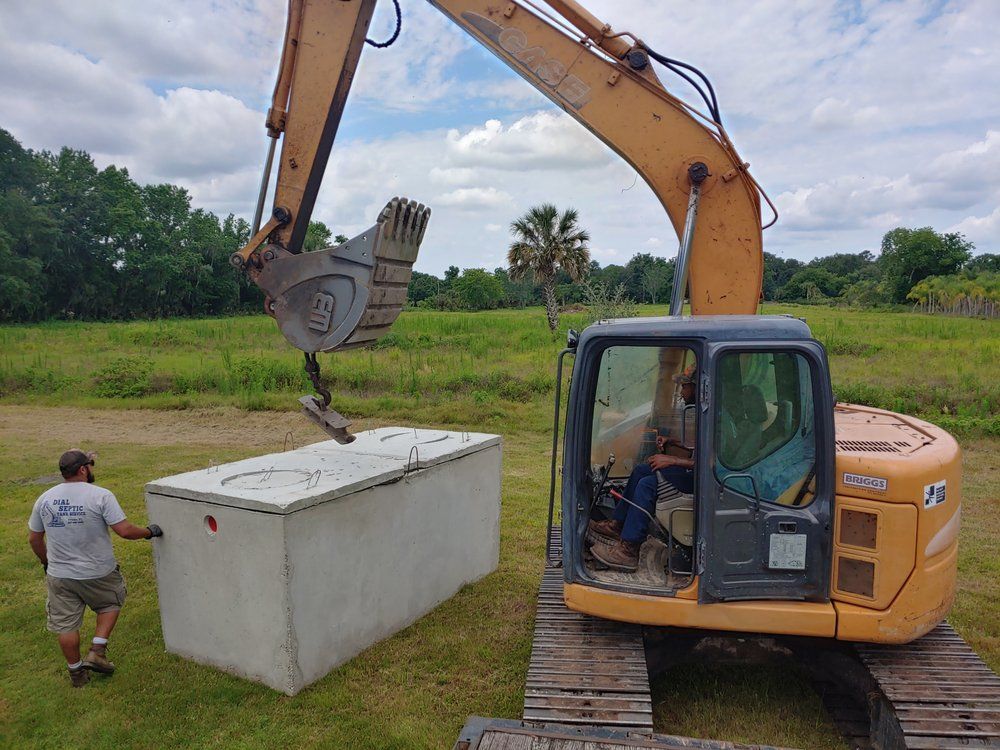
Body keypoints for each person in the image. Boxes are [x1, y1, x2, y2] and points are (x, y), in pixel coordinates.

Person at [27, 449, 163, 687]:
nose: (92, 469)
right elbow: (125, 531)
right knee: (110, 603)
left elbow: (34, 539)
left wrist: (47, 562)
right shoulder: (101, 496)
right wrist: (150, 532)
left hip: (60, 575)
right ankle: (97, 651)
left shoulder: (45, 498)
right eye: (90, 466)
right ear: (83, 470)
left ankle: (77, 674)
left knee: (66, 624)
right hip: (98, 572)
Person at [589, 365, 697, 571]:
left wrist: (671, 460)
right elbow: (700, 447)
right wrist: (673, 441)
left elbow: (713, 463)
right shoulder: (701, 411)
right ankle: (618, 525)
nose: (681, 392)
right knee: (640, 470)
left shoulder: (720, 418)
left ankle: (629, 550)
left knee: (648, 485)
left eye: (684, 386)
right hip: (695, 472)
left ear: (696, 387)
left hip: (704, 480)